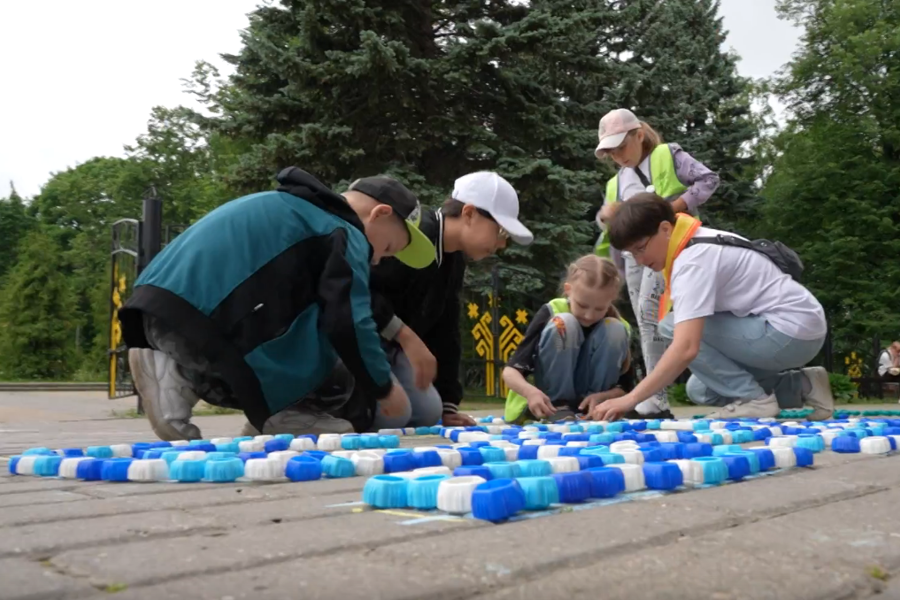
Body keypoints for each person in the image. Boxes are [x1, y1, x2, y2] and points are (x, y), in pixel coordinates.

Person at [118, 167, 436, 441]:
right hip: (208, 322)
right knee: (342, 366)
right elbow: (349, 321)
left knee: (304, 321)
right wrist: (381, 385)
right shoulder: (344, 231)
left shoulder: (287, 205)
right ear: (380, 213)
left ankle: (175, 372)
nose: (378, 259)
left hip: (159, 312)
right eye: (389, 246)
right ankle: (289, 415)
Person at [591, 194, 834, 421]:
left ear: (665, 229)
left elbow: (686, 347)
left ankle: (755, 400)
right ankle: (804, 384)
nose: (640, 260)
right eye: (631, 253)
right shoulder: (695, 238)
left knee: (671, 326)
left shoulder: (692, 262)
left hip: (789, 331)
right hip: (796, 327)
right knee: (701, 390)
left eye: (641, 248)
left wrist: (631, 398)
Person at [365, 171, 535, 429]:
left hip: (394, 350)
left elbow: (446, 329)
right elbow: (362, 293)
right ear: (469, 213)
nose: (502, 244)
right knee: (395, 415)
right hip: (361, 342)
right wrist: (403, 335)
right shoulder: (414, 234)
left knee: (428, 413)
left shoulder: (453, 258)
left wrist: (448, 403)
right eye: (501, 231)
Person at [593, 108, 720, 418]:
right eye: (611, 152)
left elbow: (708, 180)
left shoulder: (667, 155)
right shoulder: (615, 183)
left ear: (639, 135)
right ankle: (655, 399)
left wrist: (667, 210)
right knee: (646, 324)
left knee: (652, 312)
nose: (618, 156)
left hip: (672, 247)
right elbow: (607, 226)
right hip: (634, 259)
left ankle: (654, 398)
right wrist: (606, 217)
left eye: (621, 146)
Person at [502, 254, 635, 423]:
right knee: (564, 323)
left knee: (614, 328)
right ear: (568, 289)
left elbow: (626, 387)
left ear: (611, 300)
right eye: (582, 305)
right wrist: (530, 393)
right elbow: (511, 371)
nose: (589, 315)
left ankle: (589, 408)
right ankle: (559, 404)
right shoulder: (552, 311)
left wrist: (604, 397)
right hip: (548, 403)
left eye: (599, 308)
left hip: (593, 408)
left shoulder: (619, 328)